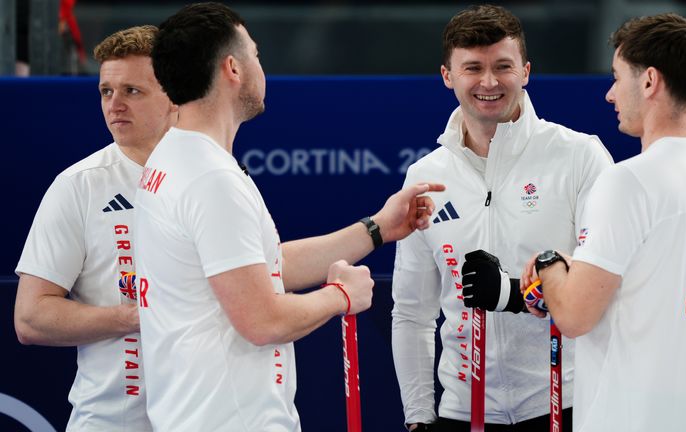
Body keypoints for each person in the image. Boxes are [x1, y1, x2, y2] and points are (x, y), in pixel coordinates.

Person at [133, 3, 443, 431]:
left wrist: (376, 229)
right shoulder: (210, 180)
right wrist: (341, 295)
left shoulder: (174, 156)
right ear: (232, 69)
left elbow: (257, 268)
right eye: (255, 54)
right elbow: (262, 320)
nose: (262, 66)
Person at [520, 13, 686, 432]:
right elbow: (653, 291)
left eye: (616, 76)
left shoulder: (628, 181)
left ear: (648, 82)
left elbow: (573, 315)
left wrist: (550, 263)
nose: (610, 94)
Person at [391, 5, 613, 431]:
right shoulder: (425, 177)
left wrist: (513, 292)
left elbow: (599, 287)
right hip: (463, 409)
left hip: (564, 401)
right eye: (472, 68)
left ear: (526, 71)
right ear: (447, 76)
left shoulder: (580, 156)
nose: (489, 82)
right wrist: (418, 416)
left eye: (503, 67)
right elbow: (412, 312)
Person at [14, 25, 176, 431]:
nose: (114, 105)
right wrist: (136, 316)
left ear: (175, 94)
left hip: (206, 417)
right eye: (106, 91)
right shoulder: (80, 185)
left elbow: (265, 271)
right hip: (111, 421)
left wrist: (364, 231)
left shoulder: (220, 174)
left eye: (132, 91)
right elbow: (31, 318)